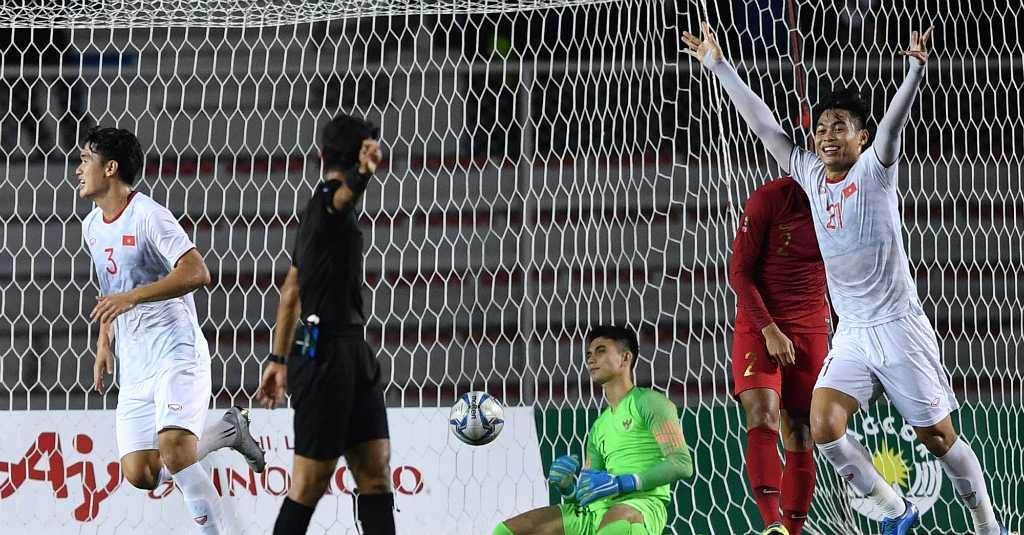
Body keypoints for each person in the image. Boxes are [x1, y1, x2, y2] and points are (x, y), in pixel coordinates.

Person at [683, 22, 1008, 535]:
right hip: (853, 332)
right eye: (822, 128)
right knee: (823, 426)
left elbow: (893, 125)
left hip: (899, 327)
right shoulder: (812, 175)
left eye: (840, 127)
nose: (828, 136)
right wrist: (719, 65)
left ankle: (988, 523)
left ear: (860, 137)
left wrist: (915, 72)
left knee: (939, 439)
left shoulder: (875, 170)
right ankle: (896, 511)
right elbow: (765, 125)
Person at [81, 126, 265, 535]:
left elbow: (197, 271)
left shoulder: (149, 215)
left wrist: (134, 298)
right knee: (142, 473)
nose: (78, 170)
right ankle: (227, 432)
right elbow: (110, 287)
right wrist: (103, 343)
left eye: (85, 160)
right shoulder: (92, 226)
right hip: (135, 363)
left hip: (175, 351)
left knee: (176, 452)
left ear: (110, 168)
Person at [257, 113, 395, 535]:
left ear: (320, 154)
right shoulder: (328, 202)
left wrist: (278, 359)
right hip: (323, 355)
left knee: (375, 473)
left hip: (352, 348)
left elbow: (291, 290)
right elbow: (345, 196)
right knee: (309, 483)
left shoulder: (316, 218)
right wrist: (364, 174)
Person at [493, 325, 693, 535]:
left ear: (625, 358)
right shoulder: (599, 426)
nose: (591, 359)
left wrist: (623, 483)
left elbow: (681, 464)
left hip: (640, 505)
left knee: (617, 526)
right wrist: (567, 487)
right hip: (595, 512)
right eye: (589, 353)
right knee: (507, 531)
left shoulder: (649, 402)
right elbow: (586, 494)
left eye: (601, 351)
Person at [729, 175, 829, 535]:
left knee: (802, 431)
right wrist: (769, 329)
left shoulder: (849, 198)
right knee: (763, 413)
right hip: (761, 324)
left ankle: (793, 530)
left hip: (811, 327)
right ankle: (771, 523)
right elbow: (739, 274)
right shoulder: (769, 198)